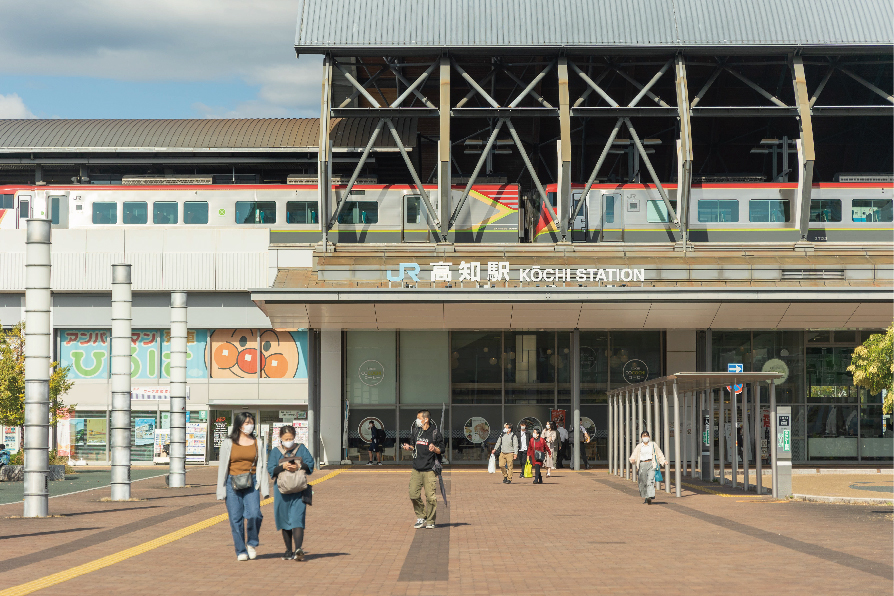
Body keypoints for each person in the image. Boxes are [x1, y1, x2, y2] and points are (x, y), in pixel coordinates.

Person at [216, 412, 270, 561]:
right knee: (235, 518)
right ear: (239, 425)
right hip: (231, 482)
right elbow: (222, 468)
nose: (250, 425)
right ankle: (241, 550)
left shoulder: (258, 442)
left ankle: (251, 543)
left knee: (255, 514)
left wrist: (265, 489)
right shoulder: (228, 442)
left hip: (252, 481)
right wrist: (220, 490)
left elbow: (262, 466)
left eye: (251, 422)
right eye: (247, 423)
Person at [268, 425, 315, 561]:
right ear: (280, 438)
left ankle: (298, 549)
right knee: (284, 519)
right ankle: (288, 550)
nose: (288, 441)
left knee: (297, 518)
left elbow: (310, 466)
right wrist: (282, 466)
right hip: (281, 491)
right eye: (286, 439)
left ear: (294, 437)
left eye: (291, 438)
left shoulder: (302, 449)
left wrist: (299, 466)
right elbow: (271, 469)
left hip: (299, 490)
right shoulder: (276, 452)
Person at [401, 410, 444, 529]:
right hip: (416, 468)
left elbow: (442, 449)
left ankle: (430, 520)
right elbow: (413, 445)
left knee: (430, 497)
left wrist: (435, 449)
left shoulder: (435, 432)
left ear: (426, 419)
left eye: (419, 418)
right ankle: (422, 516)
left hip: (430, 469)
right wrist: (409, 448)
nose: (417, 420)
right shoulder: (416, 431)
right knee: (413, 494)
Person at [628, 430, 667, 505]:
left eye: (646, 435)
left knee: (650, 480)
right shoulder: (639, 446)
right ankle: (646, 496)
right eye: (643, 436)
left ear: (649, 437)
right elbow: (634, 455)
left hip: (651, 464)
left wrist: (663, 461)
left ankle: (650, 496)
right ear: (641, 437)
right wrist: (632, 460)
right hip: (642, 464)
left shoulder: (653, 445)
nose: (645, 437)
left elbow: (659, 454)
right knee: (642, 482)